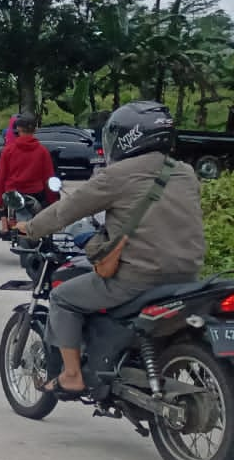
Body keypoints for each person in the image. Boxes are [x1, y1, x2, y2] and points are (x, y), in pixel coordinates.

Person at [18, 100, 204, 398]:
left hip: (136, 280)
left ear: (126, 137)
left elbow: (66, 211)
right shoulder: (185, 172)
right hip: (188, 276)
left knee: (63, 298)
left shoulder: (117, 175)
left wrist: (30, 228)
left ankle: (72, 374)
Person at [0, 113, 57, 227]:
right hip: (36, 193)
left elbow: (0, 178)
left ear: (18, 129)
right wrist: (52, 201)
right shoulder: (43, 151)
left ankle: (6, 226)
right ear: (35, 129)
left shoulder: (8, 151)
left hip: (13, 195)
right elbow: (48, 178)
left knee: (8, 213)